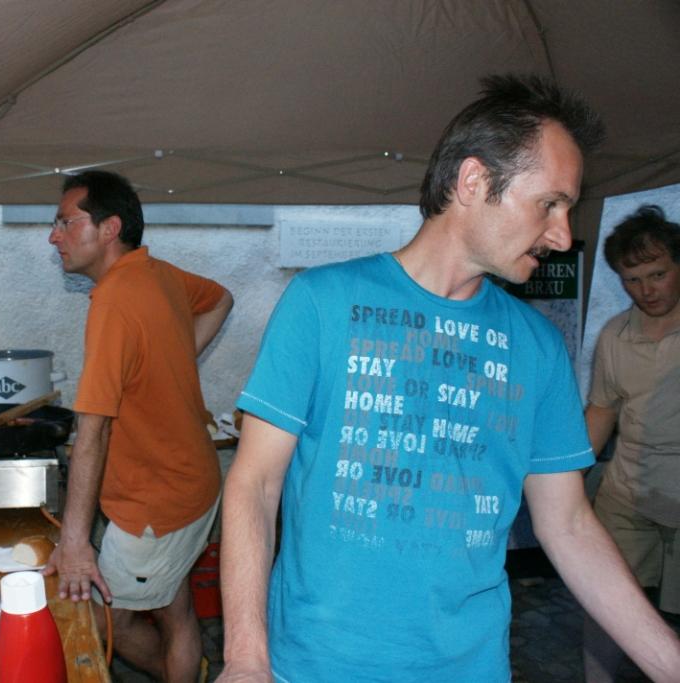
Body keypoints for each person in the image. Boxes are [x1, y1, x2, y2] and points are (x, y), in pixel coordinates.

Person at [218, 75, 680, 682]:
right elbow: (254, 486)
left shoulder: (538, 346)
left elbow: (568, 523)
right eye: (549, 204)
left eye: (568, 209)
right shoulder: (322, 302)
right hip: (315, 665)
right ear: (473, 181)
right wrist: (245, 660)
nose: (563, 236)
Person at [41, 170, 233, 682]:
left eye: (66, 222)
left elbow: (92, 431)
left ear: (109, 229)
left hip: (158, 502)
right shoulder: (156, 274)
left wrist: (75, 541)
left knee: (106, 621)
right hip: (189, 481)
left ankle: (185, 675)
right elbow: (221, 298)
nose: (54, 236)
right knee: (173, 603)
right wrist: (172, 362)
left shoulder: (114, 301)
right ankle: (190, 670)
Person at [582, 204, 680, 682]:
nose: (646, 290)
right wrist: (567, 481)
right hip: (627, 496)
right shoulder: (615, 336)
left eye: (658, 274)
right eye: (632, 280)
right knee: (604, 605)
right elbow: (602, 411)